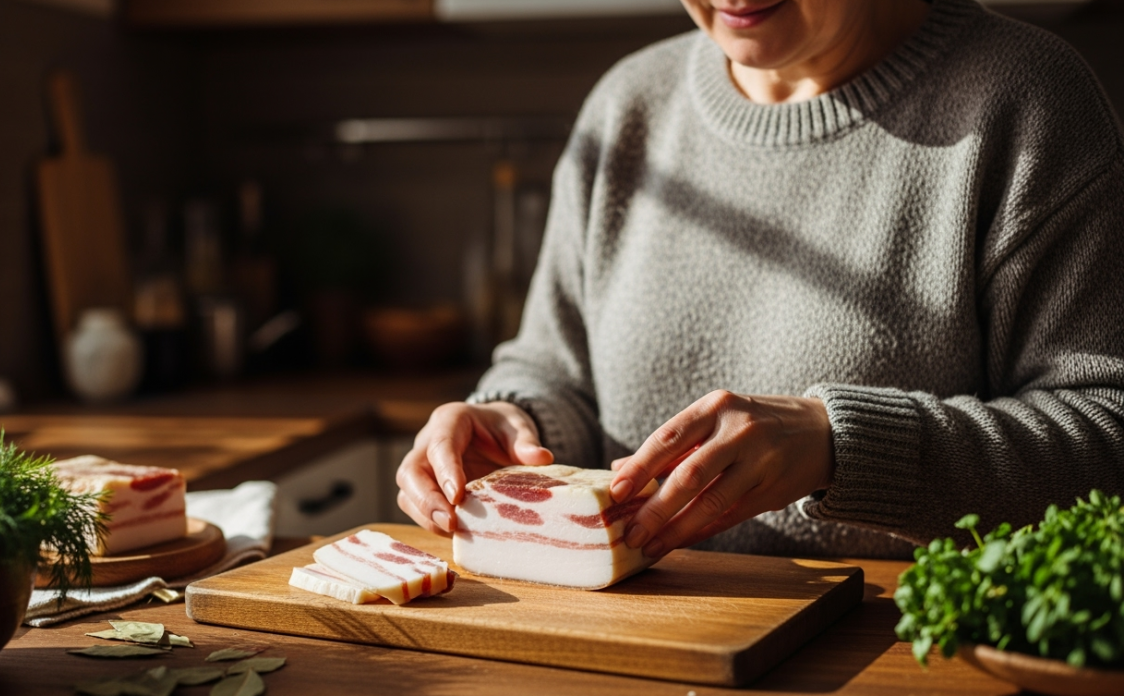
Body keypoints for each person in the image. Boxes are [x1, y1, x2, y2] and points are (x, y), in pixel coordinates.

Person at [397, 0, 1124, 560]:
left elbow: (1106, 439)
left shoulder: (1028, 100)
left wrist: (841, 445)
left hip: (897, 662)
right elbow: (554, 368)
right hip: (645, 648)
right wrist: (513, 420)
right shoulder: (627, 106)